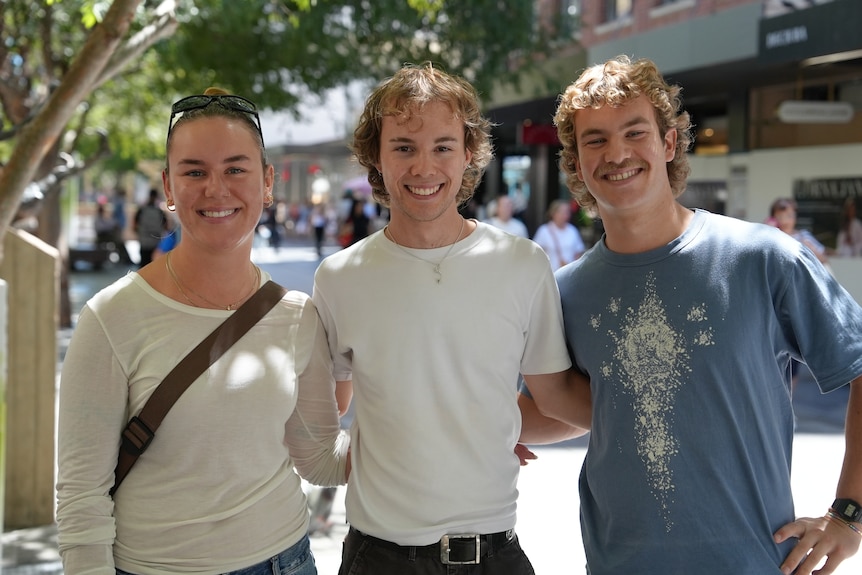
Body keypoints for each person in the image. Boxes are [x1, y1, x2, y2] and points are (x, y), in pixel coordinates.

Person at [527, 54, 862, 575]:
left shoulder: (763, 258)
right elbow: (565, 409)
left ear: (669, 143)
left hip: (754, 562)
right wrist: (481, 433)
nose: (616, 153)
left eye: (634, 132)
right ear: (575, 161)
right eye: (595, 139)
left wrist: (849, 514)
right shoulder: (564, 293)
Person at [56, 87, 350, 575]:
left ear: (267, 182)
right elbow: (81, 498)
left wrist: (437, 434)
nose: (217, 189)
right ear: (169, 187)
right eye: (195, 172)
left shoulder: (296, 314)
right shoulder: (111, 318)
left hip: (286, 561)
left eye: (236, 168)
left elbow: (319, 457)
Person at [312, 62, 581, 574]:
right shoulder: (340, 277)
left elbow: (557, 400)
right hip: (379, 556)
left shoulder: (522, 264)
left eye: (442, 147)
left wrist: (482, 429)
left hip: (493, 553)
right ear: (377, 156)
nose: (423, 167)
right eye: (404, 147)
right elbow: (328, 412)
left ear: (468, 155)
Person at [769, 197, 830, 264]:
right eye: (780, 217)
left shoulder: (804, 236)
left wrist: (810, 249)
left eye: (789, 216)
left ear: (795, 217)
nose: (784, 221)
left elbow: (824, 259)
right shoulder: (771, 238)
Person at [532, 198, 585, 270]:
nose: (565, 215)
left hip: (569, 273)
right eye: (562, 212)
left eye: (567, 212)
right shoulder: (544, 231)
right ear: (553, 213)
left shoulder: (573, 230)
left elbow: (578, 253)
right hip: (550, 273)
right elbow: (536, 253)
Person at [134, 188, 168, 267]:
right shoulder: (159, 211)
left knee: (143, 265)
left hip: (144, 241)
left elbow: (135, 224)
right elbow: (166, 226)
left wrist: (138, 232)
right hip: (155, 242)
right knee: (154, 266)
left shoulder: (142, 210)